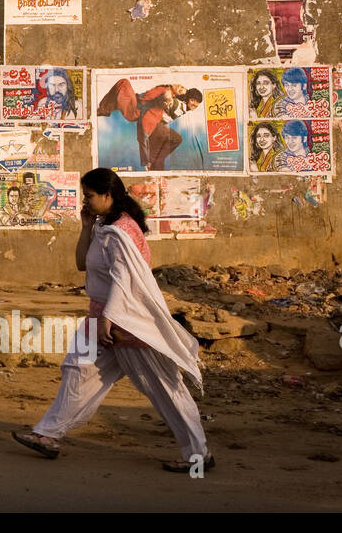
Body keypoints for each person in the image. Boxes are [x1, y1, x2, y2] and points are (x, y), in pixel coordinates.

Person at [12, 168, 211, 473]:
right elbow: (82, 264)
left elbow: (125, 280)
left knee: (163, 387)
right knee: (78, 371)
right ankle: (47, 435)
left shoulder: (121, 231)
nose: (85, 201)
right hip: (103, 317)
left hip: (127, 322)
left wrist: (109, 319)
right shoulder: (105, 227)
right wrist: (85, 227)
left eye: (89, 196)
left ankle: (198, 454)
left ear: (108, 195)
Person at [97, 79, 204, 171]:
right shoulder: (177, 104)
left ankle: (155, 163)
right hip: (139, 110)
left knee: (173, 139)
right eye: (193, 101)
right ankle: (104, 109)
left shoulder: (181, 105)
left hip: (150, 118)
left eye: (197, 103)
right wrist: (168, 97)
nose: (195, 105)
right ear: (188, 98)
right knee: (123, 83)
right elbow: (169, 103)